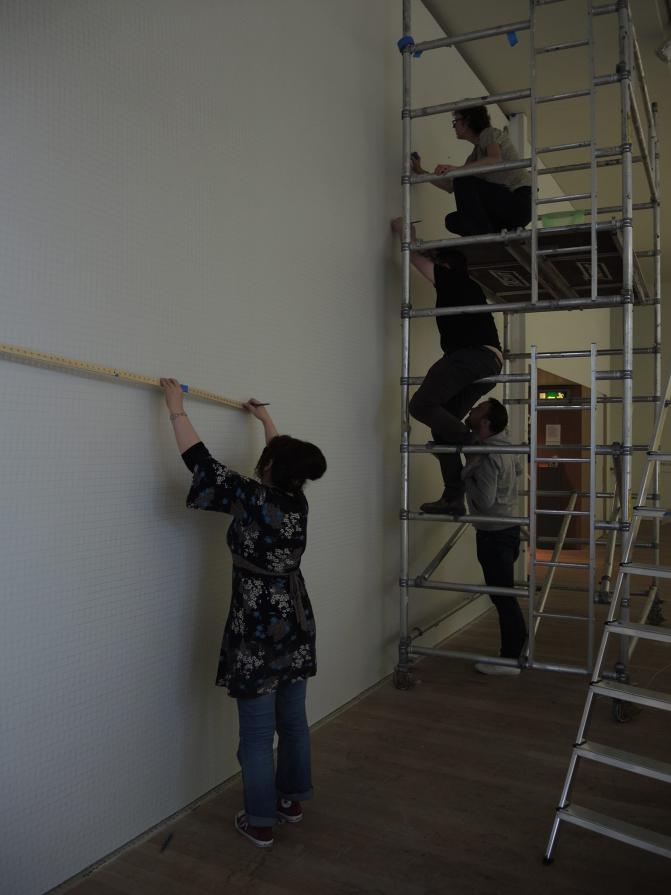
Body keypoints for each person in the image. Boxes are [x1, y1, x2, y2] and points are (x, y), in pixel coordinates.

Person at [160, 378, 326, 848]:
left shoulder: (254, 499)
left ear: (270, 467)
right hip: (295, 619)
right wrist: (267, 420)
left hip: (256, 624)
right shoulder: (296, 500)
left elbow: (202, 465)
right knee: (292, 718)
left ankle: (259, 822)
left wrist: (176, 409)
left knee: (257, 731)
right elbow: (282, 459)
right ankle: (290, 800)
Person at [391, 217, 503, 515]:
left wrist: (407, 235)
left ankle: (471, 445)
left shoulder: (455, 280)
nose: (434, 266)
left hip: (471, 357)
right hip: (487, 364)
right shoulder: (467, 287)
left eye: (438, 261)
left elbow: (416, 259)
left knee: (421, 406)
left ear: (447, 265)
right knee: (443, 428)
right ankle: (454, 497)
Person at [461, 397, 527, 675]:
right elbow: (520, 470)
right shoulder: (507, 446)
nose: (471, 411)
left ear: (485, 422)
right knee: (504, 595)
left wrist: (467, 474)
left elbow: (485, 501)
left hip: (494, 533)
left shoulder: (488, 455)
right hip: (508, 530)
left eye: (477, 410)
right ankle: (517, 652)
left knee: (502, 597)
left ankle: (511, 659)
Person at [411, 105, 532, 237]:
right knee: (452, 221)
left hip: (519, 202)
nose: (454, 126)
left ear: (467, 121)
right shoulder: (474, 157)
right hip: (504, 211)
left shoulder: (489, 133)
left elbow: (495, 159)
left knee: (462, 179)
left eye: (455, 121)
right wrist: (421, 172)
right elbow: (450, 186)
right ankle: (486, 235)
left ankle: (483, 237)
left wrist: (456, 170)